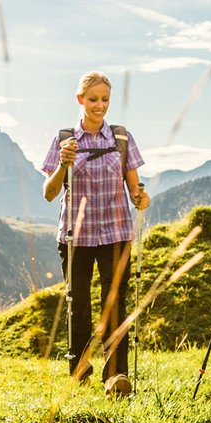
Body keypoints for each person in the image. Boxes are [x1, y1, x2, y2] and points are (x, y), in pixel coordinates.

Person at [42, 71, 151, 390]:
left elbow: (135, 190)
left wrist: (141, 197)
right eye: (93, 99)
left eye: (104, 99)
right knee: (79, 303)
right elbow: (49, 193)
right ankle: (79, 366)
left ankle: (116, 374)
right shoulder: (64, 140)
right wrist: (63, 164)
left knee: (115, 301)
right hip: (76, 237)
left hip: (116, 233)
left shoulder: (120, 139)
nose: (99, 105)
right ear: (80, 100)